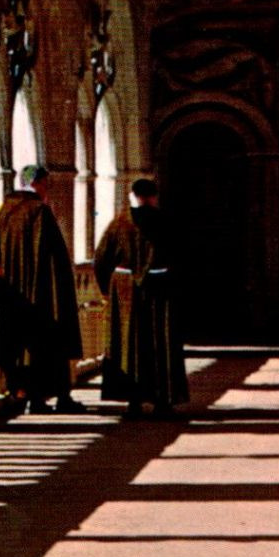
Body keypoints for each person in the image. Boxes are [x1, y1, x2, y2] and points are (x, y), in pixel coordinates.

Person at [0, 164, 85, 414]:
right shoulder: (39, 212)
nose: (47, 191)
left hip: (13, 298)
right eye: (45, 185)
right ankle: (50, 398)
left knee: (23, 349)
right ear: (36, 184)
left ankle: (31, 397)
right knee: (50, 344)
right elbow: (54, 258)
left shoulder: (3, 212)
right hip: (42, 295)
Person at [95, 178, 188, 419]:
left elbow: (101, 259)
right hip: (160, 289)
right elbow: (180, 257)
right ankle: (162, 400)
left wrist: (108, 290)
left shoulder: (119, 223)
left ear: (132, 195)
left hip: (125, 291)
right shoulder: (166, 222)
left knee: (128, 345)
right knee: (160, 344)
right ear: (154, 197)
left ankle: (133, 400)